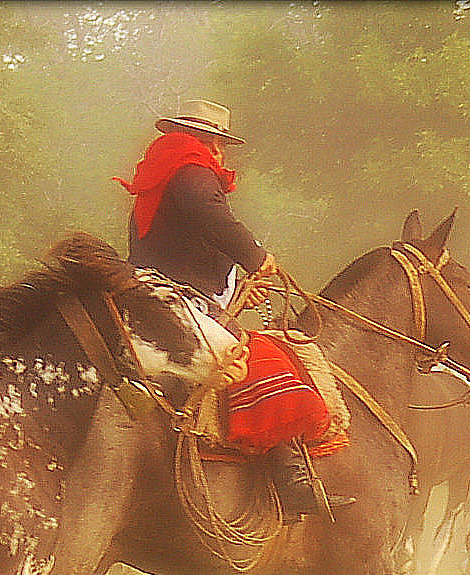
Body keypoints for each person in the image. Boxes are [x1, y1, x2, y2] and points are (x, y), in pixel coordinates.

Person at [113, 99, 349, 519]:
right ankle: (290, 479)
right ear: (204, 139)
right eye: (218, 142)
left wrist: (238, 283)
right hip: (176, 299)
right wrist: (256, 257)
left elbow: (185, 243)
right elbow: (211, 219)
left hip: (165, 292)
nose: (221, 153)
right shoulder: (190, 167)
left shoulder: (166, 171)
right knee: (267, 361)